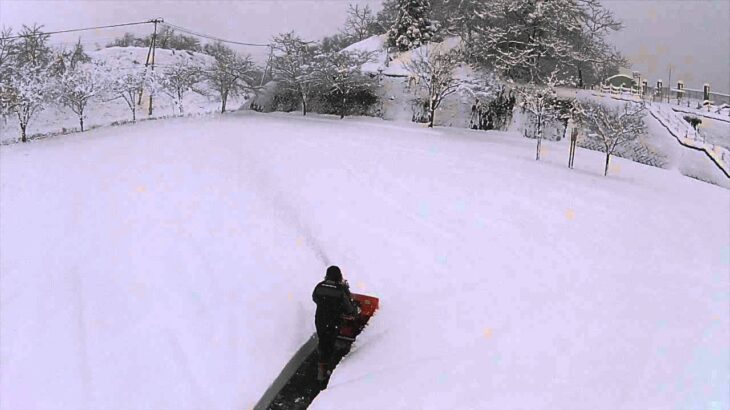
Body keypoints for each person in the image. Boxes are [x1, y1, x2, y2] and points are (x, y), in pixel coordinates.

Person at [312, 265, 357, 382]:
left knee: (323, 340)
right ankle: (327, 371)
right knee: (330, 344)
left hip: (320, 319)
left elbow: (315, 298)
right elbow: (349, 309)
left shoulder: (319, 286)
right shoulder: (340, 290)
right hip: (333, 321)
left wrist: (325, 304)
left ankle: (321, 367)